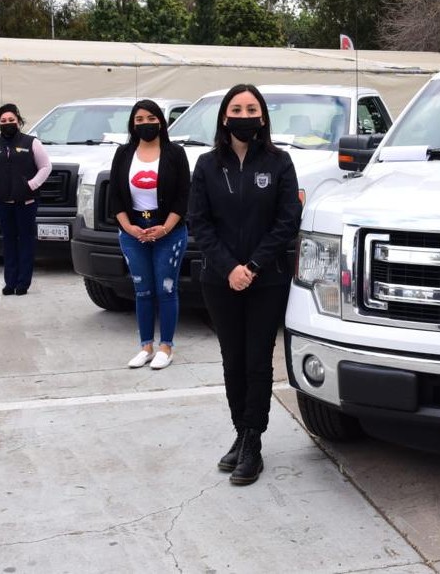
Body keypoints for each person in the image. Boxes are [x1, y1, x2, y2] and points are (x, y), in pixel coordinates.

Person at [188, 84, 302, 486]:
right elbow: (199, 223)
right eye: (237, 108)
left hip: (266, 279)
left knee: (257, 360)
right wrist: (229, 268)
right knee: (232, 360)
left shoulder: (279, 163)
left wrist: (252, 266)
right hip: (219, 281)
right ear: (224, 117)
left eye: (252, 108)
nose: (244, 115)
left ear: (263, 117)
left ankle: (253, 440)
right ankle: (241, 431)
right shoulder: (205, 165)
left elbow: (287, 222)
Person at [109, 99, 190, 370]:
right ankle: (146, 346)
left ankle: (166, 346)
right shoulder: (123, 153)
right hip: (133, 233)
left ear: (161, 121)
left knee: (166, 289)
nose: (146, 124)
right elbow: (116, 197)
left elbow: (183, 196)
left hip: (169, 231)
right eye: (139, 119)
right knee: (142, 291)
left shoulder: (175, 153)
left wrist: (165, 227)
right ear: (133, 124)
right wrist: (128, 227)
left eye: (151, 118)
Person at [0, 103, 52, 295]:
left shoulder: (31, 143)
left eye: (11, 120)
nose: (8, 123)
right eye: (3, 121)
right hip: (3, 202)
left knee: (25, 241)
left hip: (26, 202)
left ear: (18, 121)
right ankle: (9, 282)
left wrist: (31, 185)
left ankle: (23, 283)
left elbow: (45, 167)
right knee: (9, 241)